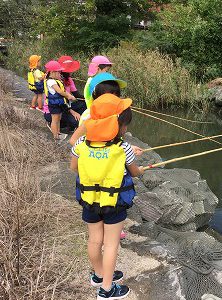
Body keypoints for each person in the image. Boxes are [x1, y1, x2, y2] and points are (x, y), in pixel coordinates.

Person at [70, 93, 144, 299]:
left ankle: (98, 275)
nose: (126, 129)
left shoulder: (82, 143)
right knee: (111, 244)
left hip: (89, 200)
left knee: (94, 240)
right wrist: (142, 170)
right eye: (125, 125)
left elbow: (73, 167)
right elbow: (134, 171)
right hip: (115, 204)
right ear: (116, 125)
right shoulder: (123, 148)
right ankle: (107, 289)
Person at [44, 60, 76, 140]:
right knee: (54, 120)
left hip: (59, 104)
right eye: (58, 72)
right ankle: (55, 136)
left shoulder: (56, 80)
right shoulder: (50, 81)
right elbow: (59, 91)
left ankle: (58, 133)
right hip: (53, 105)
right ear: (52, 72)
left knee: (59, 118)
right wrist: (69, 95)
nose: (60, 74)